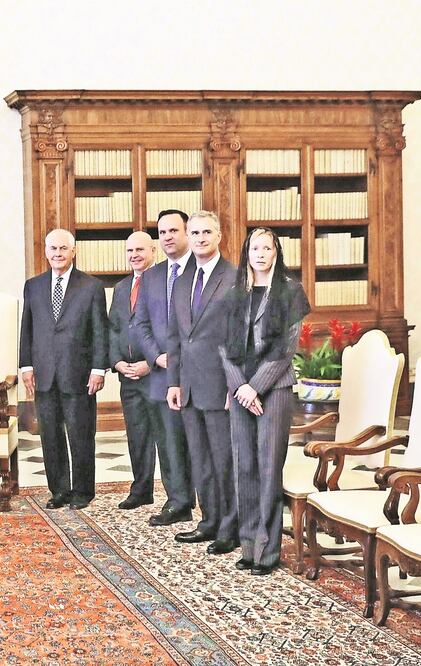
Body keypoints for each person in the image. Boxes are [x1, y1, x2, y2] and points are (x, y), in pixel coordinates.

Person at [219, 228, 310, 575]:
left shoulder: (290, 291)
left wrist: (255, 387)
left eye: (266, 247)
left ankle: (267, 552)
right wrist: (240, 387)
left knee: (269, 469)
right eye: (254, 247)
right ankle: (248, 547)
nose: (260, 253)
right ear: (246, 253)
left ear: (276, 252)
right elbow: (223, 348)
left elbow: (286, 348)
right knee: (244, 468)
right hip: (240, 391)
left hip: (275, 391)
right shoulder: (234, 293)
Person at [20, 229, 109, 510]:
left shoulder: (91, 287)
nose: (57, 254)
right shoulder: (33, 286)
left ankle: (83, 491)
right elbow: (27, 328)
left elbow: (99, 331)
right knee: (50, 434)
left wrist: (99, 369)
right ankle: (59, 490)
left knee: (81, 433)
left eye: (63, 249)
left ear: (73, 252)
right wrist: (26, 365)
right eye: (53, 249)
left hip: (79, 374)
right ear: (46, 251)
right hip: (44, 374)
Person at [167, 210, 238, 555]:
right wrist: (174, 382)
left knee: (224, 460)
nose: (199, 238)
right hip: (190, 386)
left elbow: (239, 339)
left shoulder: (235, 278)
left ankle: (230, 527)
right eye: (193, 233)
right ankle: (208, 521)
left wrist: (234, 385)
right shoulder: (182, 280)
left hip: (221, 387)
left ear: (220, 236)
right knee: (200, 459)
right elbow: (177, 336)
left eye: (206, 232)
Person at [132, 209, 196, 527]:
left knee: (200, 442)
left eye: (174, 230)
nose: (168, 236)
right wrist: (157, 357)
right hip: (160, 373)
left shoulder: (202, 271)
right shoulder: (152, 276)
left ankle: (212, 506)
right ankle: (178, 501)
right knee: (168, 441)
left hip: (198, 374)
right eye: (163, 232)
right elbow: (140, 324)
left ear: (187, 233)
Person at [108, 232, 160, 510]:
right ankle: (141, 490)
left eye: (140, 249)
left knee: (166, 439)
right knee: (137, 435)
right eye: (130, 250)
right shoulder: (121, 288)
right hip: (127, 375)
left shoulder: (165, 283)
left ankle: (178, 498)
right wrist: (116, 362)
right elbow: (113, 329)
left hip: (157, 375)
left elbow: (169, 331)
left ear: (153, 250)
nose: (135, 255)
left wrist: (150, 364)